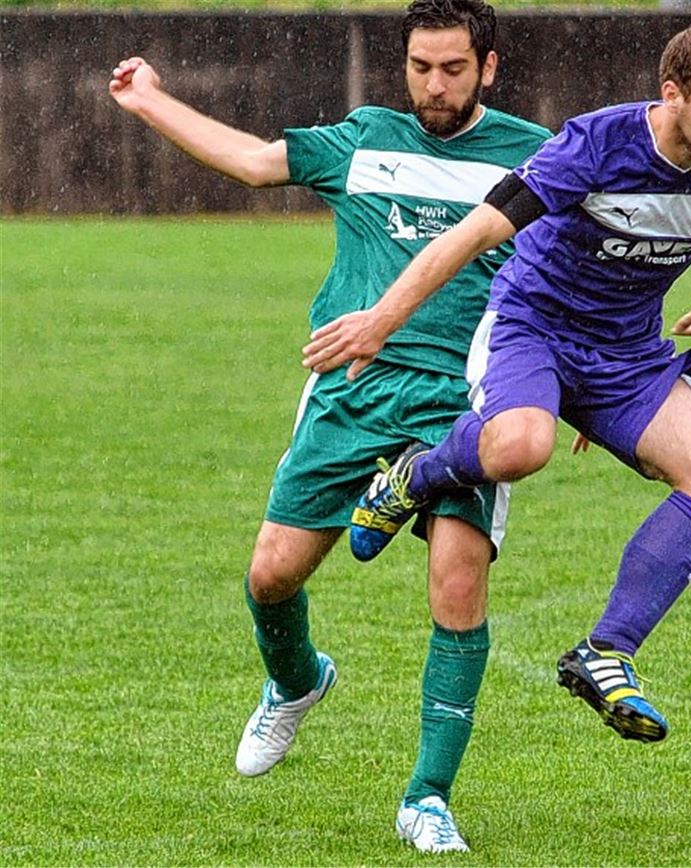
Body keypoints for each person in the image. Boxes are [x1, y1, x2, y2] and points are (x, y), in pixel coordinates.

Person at [108, 0, 550, 852]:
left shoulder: (532, 156)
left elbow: (586, 266)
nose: (433, 84)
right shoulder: (366, 138)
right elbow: (252, 161)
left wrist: (580, 384)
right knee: (271, 575)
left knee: (457, 591)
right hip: (349, 391)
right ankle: (298, 683)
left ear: (488, 67)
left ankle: (427, 796)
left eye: (453, 68)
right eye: (421, 67)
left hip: (464, 403)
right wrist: (151, 100)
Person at [302, 17, 691, 744]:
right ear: (673, 95)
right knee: (520, 446)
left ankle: (605, 652)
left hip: (627, 357)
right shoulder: (593, 145)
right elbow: (476, 232)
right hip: (534, 329)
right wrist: (381, 320)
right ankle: (416, 477)